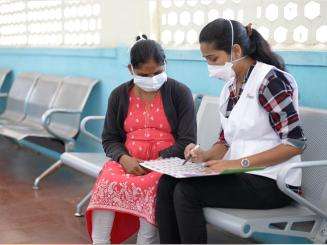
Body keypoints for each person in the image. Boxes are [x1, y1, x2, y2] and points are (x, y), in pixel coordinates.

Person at [155, 19, 306, 244]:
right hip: (243, 177)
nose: (210, 66)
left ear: (236, 50)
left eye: (213, 59)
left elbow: (295, 143)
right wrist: (204, 155)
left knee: (188, 193)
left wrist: (236, 164)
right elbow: (225, 141)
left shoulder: (270, 81)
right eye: (206, 60)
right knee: (167, 183)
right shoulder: (231, 87)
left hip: (274, 182)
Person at [85, 35, 196, 244]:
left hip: (165, 165)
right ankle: (100, 241)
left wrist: (158, 161)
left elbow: (187, 139)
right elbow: (109, 138)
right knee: (106, 182)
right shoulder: (119, 95)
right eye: (144, 74)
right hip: (128, 161)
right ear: (130, 69)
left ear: (166, 65)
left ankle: (145, 241)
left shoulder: (179, 92)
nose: (152, 78)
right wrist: (123, 158)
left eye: (158, 72)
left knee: (153, 188)